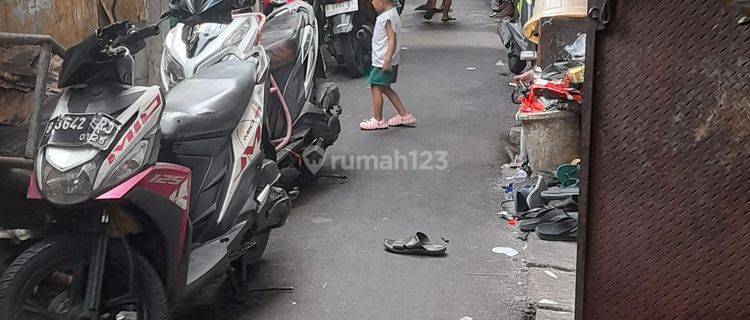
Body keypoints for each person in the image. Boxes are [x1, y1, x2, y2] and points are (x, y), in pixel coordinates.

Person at [360, 0, 416, 130]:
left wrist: (387, 60)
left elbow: (391, 40)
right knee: (385, 88)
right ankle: (403, 114)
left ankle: (378, 119)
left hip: (382, 61)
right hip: (386, 59)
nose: (371, 4)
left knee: (376, 87)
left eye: (373, 1)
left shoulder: (386, 18)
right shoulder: (392, 13)